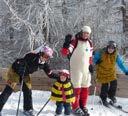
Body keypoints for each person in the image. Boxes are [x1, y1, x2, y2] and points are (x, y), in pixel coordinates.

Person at [0, 46, 57, 116]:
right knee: (9, 89)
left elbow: (50, 74)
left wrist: (59, 77)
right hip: (15, 71)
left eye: (47, 57)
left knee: (28, 89)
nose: (45, 58)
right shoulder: (32, 56)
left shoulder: (44, 64)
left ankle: (28, 109)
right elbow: (19, 61)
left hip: (25, 74)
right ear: (40, 53)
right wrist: (21, 66)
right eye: (44, 55)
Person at [61, 26, 93, 116]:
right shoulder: (75, 41)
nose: (86, 35)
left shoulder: (90, 43)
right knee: (77, 88)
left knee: (85, 88)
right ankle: (75, 107)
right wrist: (66, 43)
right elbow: (65, 52)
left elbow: (90, 56)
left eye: (88, 33)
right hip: (76, 68)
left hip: (86, 69)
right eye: (85, 33)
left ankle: (83, 106)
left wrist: (90, 65)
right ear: (81, 32)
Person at [93, 41, 128, 107]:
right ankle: (103, 98)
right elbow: (95, 57)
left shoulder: (116, 55)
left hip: (111, 72)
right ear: (107, 47)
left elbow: (121, 64)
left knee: (114, 83)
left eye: (112, 48)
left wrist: (126, 71)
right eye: (109, 48)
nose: (110, 49)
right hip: (102, 71)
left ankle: (111, 95)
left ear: (114, 49)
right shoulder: (101, 52)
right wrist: (96, 60)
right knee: (105, 85)